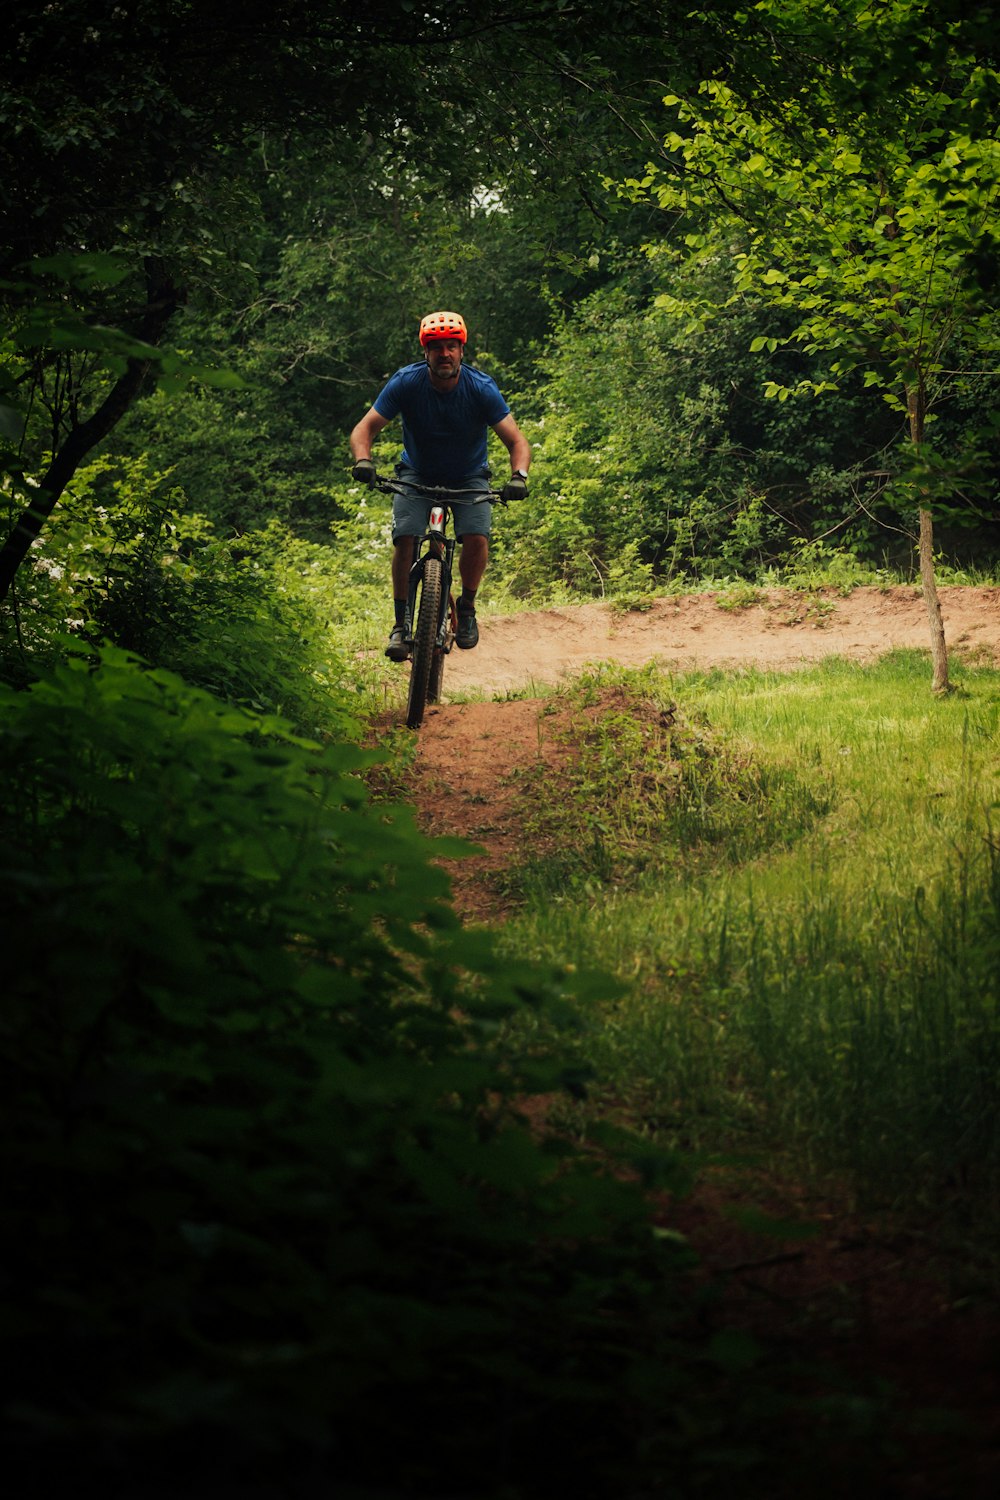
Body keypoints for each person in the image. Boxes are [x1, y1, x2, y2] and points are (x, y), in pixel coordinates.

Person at [349, 310, 530, 658]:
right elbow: (365, 428)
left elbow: (517, 442)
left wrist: (518, 477)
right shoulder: (406, 382)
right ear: (425, 353)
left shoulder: (481, 388)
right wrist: (363, 460)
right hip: (417, 474)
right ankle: (401, 624)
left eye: (451, 346)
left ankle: (467, 608)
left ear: (462, 351)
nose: (444, 354)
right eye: (436, 348)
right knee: (405, 539)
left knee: (477, 536)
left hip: (469, 476)